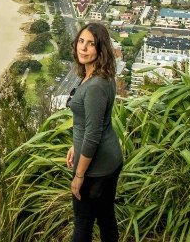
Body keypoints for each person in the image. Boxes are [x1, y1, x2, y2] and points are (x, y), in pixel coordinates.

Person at [66, 22, 122, 242]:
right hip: (108, 160)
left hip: (95, 168)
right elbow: (89, 121)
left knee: (82, 224)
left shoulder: (96, 85)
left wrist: (79, 176)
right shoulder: (96, 74)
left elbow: (92, 134)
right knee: (106, 216)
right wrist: (74, 145)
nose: (83, 48)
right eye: (81, 41)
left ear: (101, 49)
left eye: (91, 44)